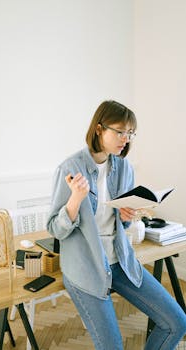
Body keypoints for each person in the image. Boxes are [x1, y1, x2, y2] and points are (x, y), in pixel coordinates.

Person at [47, 100, 186, 350]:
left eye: (130, 133)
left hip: (120, 261)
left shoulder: (123, 167)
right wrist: (75, 202)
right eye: (120, 131)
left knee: (177, 322)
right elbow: (55, 229)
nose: (126, 139)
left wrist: (125, 217)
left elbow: (119, 224)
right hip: (87, 266)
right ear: (99, 128)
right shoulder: (70, 167)